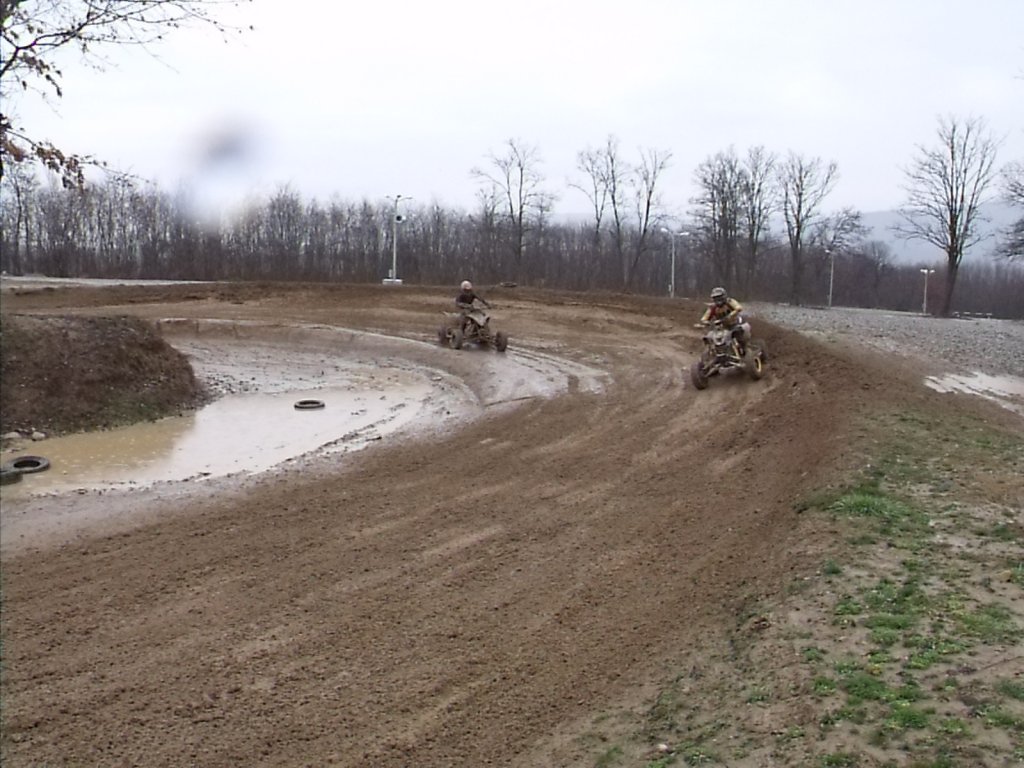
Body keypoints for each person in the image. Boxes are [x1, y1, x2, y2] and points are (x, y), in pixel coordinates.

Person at [699, 286, 749, 355]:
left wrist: (730, 315)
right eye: (715, 298)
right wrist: (705, 322)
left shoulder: (729, 302)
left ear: (724, 296)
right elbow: (705, 317)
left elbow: (739, 308)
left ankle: (744, 350)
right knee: (710, 337)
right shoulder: (713, 307)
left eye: (719, 297)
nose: (718, 300)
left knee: (739, 334)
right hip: (722, 328)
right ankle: (712, 353)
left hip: (735, 323)